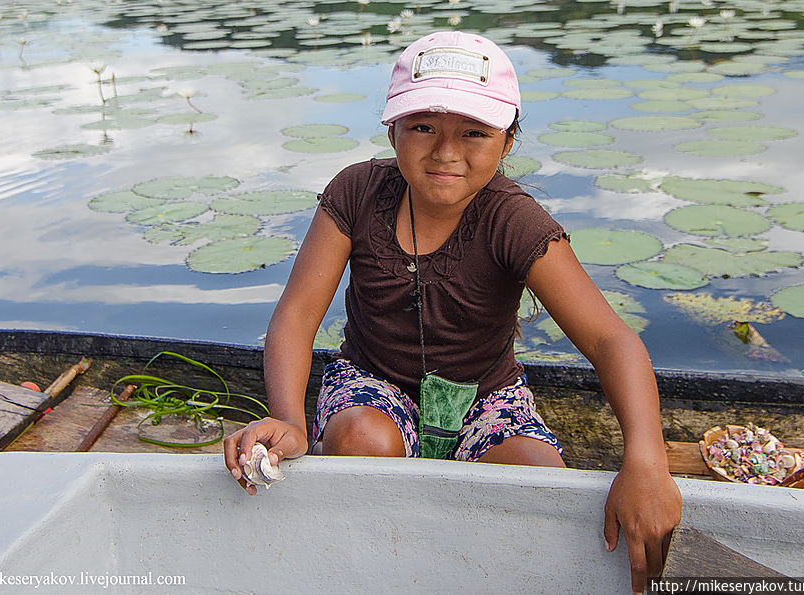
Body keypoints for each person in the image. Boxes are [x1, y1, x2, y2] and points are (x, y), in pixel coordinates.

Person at [224, 31, 681, 593]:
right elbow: (296, 316)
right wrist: (289, 421)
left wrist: (646, 459)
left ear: (507, 141)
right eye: (423, 127)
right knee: (364, 441)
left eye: (473, 133)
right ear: (392, 129)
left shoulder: (515, 221)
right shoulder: (358, 192)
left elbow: (613, 341)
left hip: (485, 394)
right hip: (372, 382)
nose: (445, 152)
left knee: (543, 486)